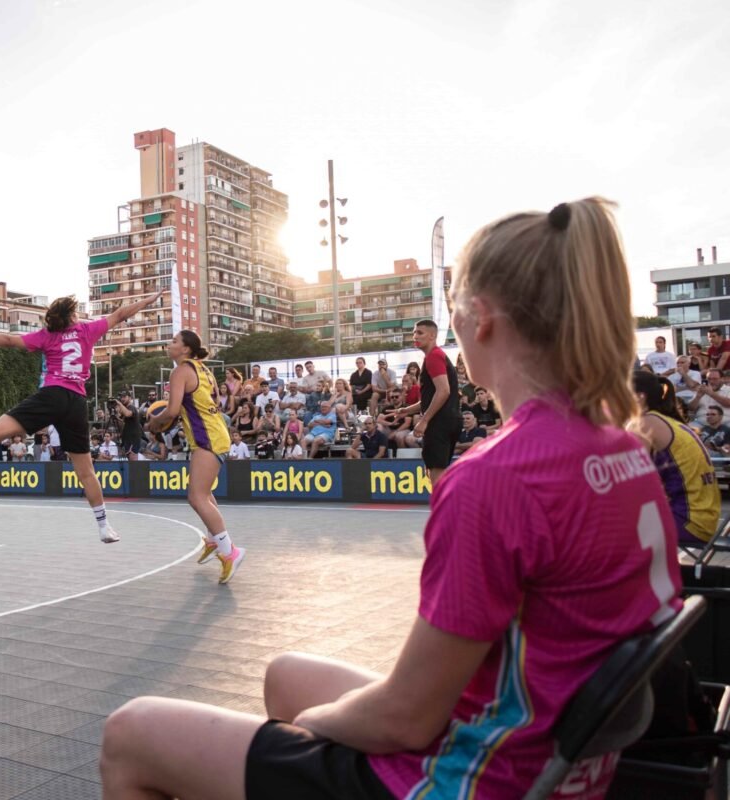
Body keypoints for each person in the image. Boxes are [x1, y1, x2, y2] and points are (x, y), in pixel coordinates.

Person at [101, 197, 683, 800]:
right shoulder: (624, 447)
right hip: (558, 755)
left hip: (474, 778)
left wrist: (313, 730)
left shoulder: (496, 476)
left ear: (479, 318)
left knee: (131, 732)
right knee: (284, 675)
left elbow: (406, 717)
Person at [0, 290, 164, 544]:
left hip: (52, 396)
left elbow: (7, 339)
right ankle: (104, 526)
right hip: (76, 403)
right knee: (87, 472)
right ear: (72, 316)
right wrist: (147, 300)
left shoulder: (46, 336)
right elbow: (121, 313)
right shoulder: (87, 330)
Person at [147, 330, 244, 584]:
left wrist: (154, 424)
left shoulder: (179, 371)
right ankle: (214, 540)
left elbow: (172, 410)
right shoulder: (202, 368)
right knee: (204, 492)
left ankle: (230, 551)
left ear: (186, 349)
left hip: (208, 438)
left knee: (196, 496)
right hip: (214, 434)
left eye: (174, 341)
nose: (169, 344)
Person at [633, 371, 719, 543]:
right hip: (704, 520)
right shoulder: (668, 420)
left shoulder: (645, 424)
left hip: (686, 521)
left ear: (640, 398)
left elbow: (631, 481)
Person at [390, 319, 460, 486]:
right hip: (447, 420)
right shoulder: (436, 356)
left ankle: (442, 511)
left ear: (432, 336)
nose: (415, 336)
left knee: (436, 474)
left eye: (419, 332)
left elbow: (443, 391)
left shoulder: (434, 356)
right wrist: (407, 410)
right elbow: (432, 397)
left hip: (440, 422)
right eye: (414, 332)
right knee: (435, 472)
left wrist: (424, 420)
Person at [113, 392, 144, 460]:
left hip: (133, 438)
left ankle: (136, 471)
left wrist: (119, 404)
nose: (122, 399)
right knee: (130, 461)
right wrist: (116, 414)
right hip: (127, 438)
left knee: (133, 461)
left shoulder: (131, 407)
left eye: (124, 397)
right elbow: (121, 423)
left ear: (130, 398)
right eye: (121, 397)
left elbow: (127, 414)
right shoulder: (125, 408)